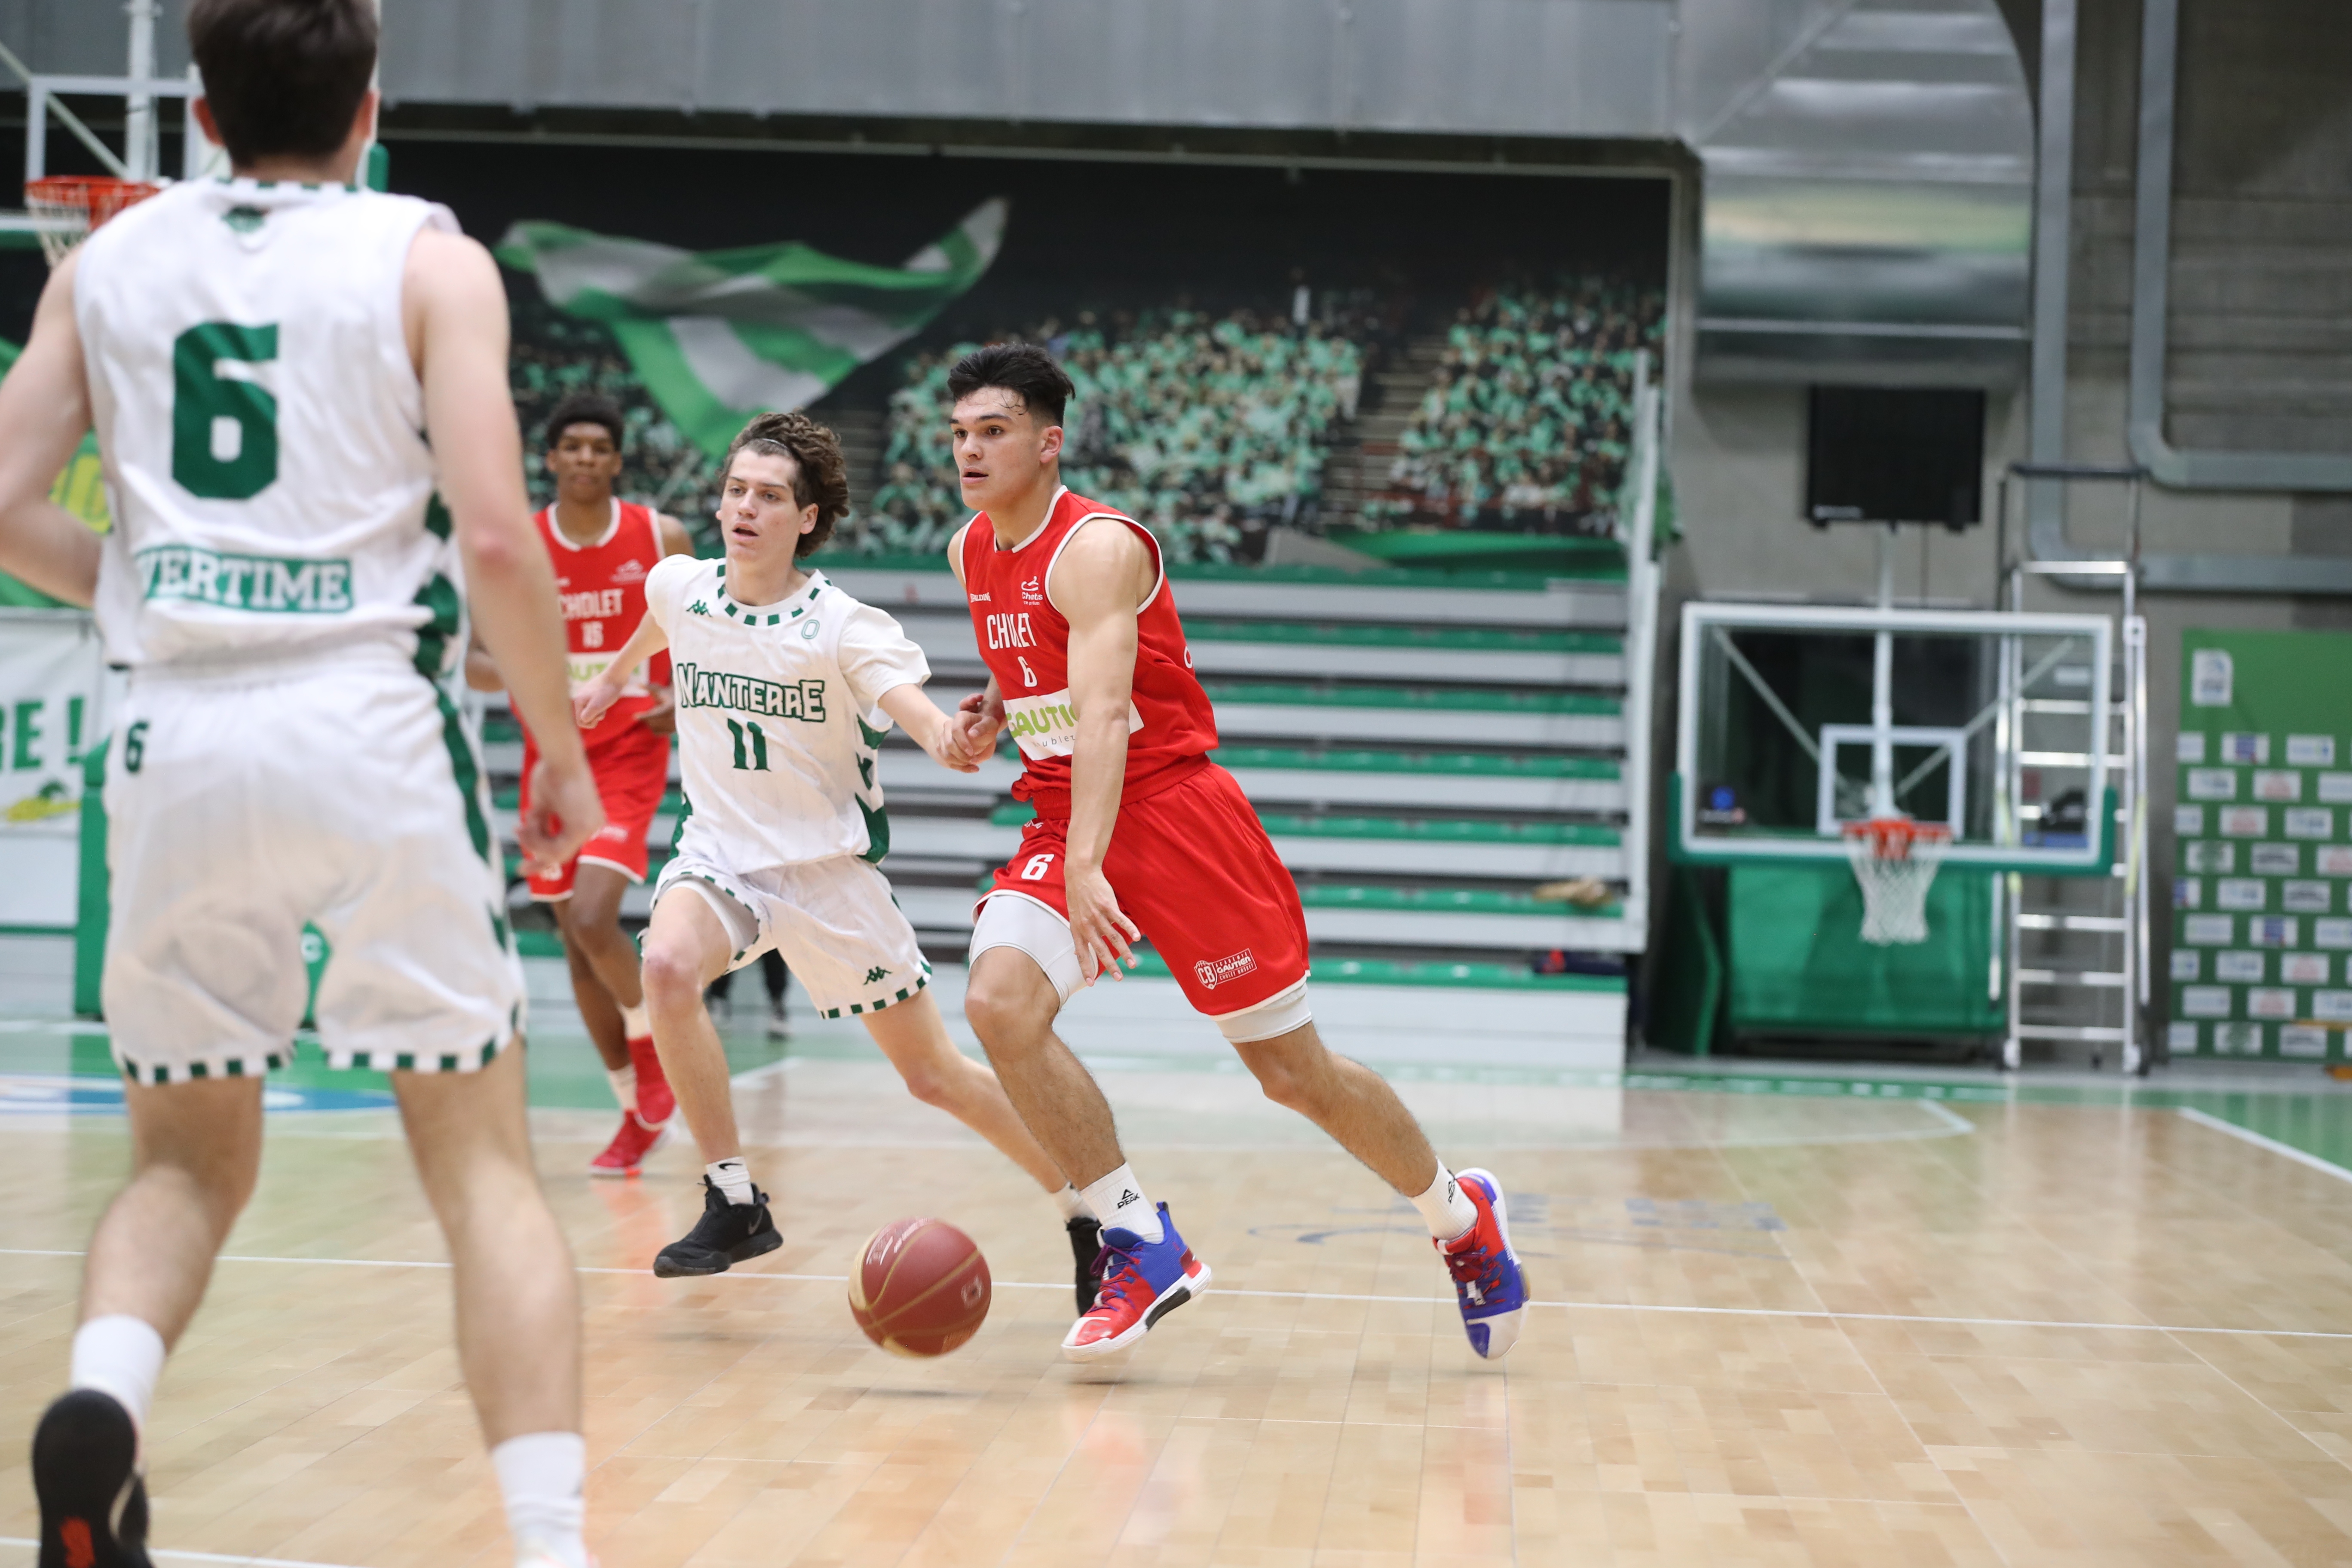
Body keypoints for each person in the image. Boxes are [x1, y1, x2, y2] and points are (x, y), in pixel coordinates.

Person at [0, 3, 602, 1565]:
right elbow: (491, 533)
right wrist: (559, 748)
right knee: (480, 1165)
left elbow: (1, 501)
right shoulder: (428, 254)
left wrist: (129, 586)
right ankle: (550, 1543)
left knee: (184, 1157)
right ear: (370, 105)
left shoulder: (107, 263)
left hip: (177, 729)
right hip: (368, 722)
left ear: (200, 112)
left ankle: (103, 1408)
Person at [939, 343, 1528, 1363]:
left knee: (1293, 1075)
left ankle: (1459, 1215)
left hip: (1173, 817)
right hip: (1065, 811)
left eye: (992, 432)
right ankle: (1138, 1234)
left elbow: (1111, 711)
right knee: (998, 1005)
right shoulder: (969, 551)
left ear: (1049, 441)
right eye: (958, 434)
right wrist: (994, 711)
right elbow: (1043, 674)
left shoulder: (1098, 547)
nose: (969, 451)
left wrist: (1088, 868)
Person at [574, 412, 1101, 1302]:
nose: (746, 507)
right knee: (664, 964)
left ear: (807, 519)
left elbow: (919, 712)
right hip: (720, 858)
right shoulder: (680, 586)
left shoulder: (843, 626)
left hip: (828, 875)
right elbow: (654, 629)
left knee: (934, 1078)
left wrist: (951, 737)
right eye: (737, 489)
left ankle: (1085, 1208)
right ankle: (733, 1197)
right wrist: (609, 679)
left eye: (770, 496)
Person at [468, 391, 692, 1178]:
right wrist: (536, 679)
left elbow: (702, 630)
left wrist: (680, 695)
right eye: (575, 447)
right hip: (553, 760)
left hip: (629, 754)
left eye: (602, 446)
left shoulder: (659, 536)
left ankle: (657, 1056)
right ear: (553, 459)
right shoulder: (523, 546)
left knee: (597, 915)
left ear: (617, 460)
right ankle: (633, 1108)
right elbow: (475, 659)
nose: (588, 458)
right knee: (573, 942)